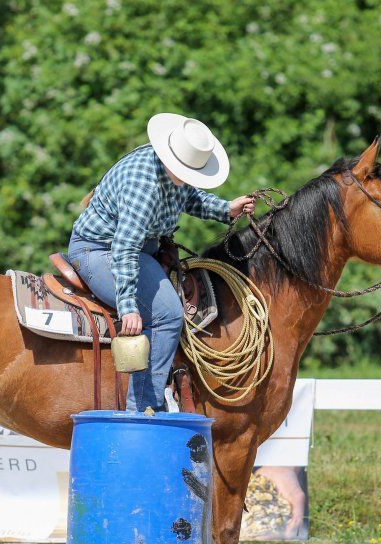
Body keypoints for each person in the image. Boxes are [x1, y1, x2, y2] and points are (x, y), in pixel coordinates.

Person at [67, 113, 255, 412]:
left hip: (139, 249)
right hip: (99, 250)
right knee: (168, 314)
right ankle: (143, 407)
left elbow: (189, 198)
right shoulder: (144, 185)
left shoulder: (173, 172)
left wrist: (226, 209)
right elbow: (125, 247)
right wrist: (127, 303)